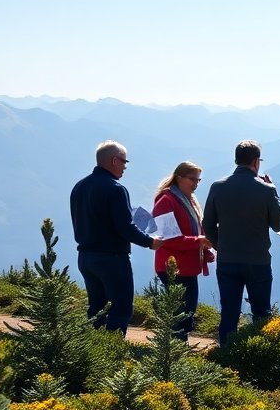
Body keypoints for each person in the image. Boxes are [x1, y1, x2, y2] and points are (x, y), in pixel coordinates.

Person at [69, 140, 160, 333]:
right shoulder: (116, 189)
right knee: (121, 308)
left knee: (96, 309)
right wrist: (150, 242)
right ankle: (114, 348)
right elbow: (125, 228)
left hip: (85, 257)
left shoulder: (79, 187)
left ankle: (94, 347)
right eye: (124, 161)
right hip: (112, 259)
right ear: (113, 160)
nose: (125, 166)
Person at [202, 140, 280, 344]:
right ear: (256, 162)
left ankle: (226, 355)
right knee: (262, 312)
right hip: (258, 261)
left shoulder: (218, 187)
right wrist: (273, 189)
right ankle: (261, 354)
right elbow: (279, 224)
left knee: (229, 312)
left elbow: (207, 224)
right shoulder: (266, 190)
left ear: (236, 159)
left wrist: (220, 246)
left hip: (227, 260)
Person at [151, 161, 213, 341]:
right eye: (192, 179)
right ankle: (172, 352)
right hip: (173, 267)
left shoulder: (188, 200)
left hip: (187, 267)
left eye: (198, 180)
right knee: (179, 316)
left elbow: (195, 230)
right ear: (179, 178)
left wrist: (204, 249)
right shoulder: (166, 201)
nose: (196, 184)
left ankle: (178, 350)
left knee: (187, 313)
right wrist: (198, 241)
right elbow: (169, 238)